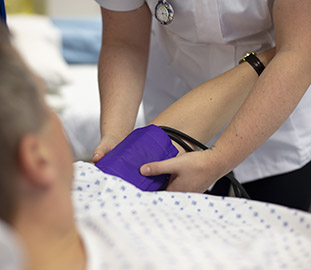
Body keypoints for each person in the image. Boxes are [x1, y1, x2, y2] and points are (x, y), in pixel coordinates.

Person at [1, 23, 311, 270]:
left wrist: (274, 57)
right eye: (45, 107)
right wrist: (287, 50)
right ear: (36, 158)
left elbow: (168, 133)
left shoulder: (89, 185)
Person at [93, 1, 311, 211]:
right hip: (176, 109)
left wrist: (219, 160)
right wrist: (116, 137)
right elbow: (123, 42)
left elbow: (298, 51)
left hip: (274, 116)